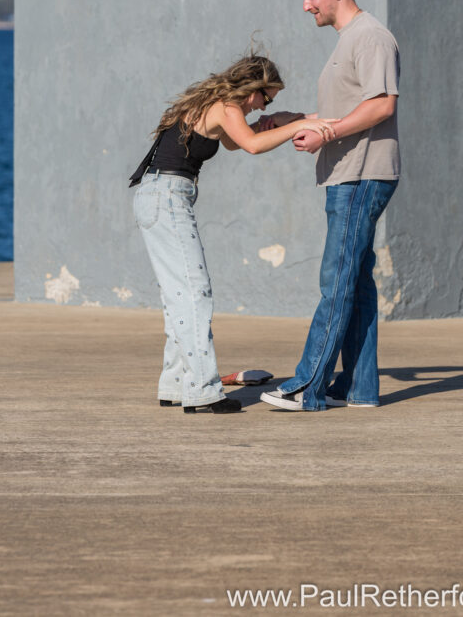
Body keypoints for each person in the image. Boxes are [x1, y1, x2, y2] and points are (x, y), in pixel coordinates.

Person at [129, 55, 338, 415]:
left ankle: (176, 384)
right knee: (194, 293)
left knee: (178, 295)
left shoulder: (215, 105)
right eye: (265, 98)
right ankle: (203, 391)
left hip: (157, 195)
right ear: (251, 88)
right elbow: (253, 145)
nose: (264, 105)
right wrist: (294, 127)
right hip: (167, 196)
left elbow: (236, 141)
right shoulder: (226, 106)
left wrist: (296, 119)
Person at [260, 0, 400, 411]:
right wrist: (296, 119)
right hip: (348, 174)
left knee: (336, 279)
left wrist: (327, 133)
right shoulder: (350, 40)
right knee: (355, 281)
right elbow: (349, 107)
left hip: (362, 174)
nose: (306, 6)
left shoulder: (371, 37)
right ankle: (359, 389)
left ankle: (307, 387)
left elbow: (381, 107)